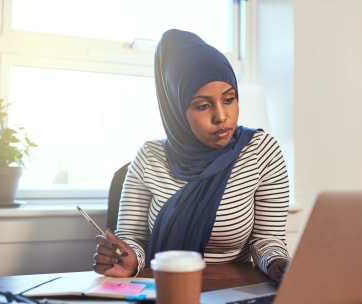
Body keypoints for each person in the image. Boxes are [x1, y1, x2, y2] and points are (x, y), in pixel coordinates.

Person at [92, 29, 291, 282]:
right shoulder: (149, 157)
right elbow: (133, 238)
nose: (221, 116)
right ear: (176, 109)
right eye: (203, 105)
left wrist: (276, 262)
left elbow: (268, 239)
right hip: (164, 287)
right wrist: (128, 259)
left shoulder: (262, 151)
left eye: (229, 100)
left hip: (233, 289)